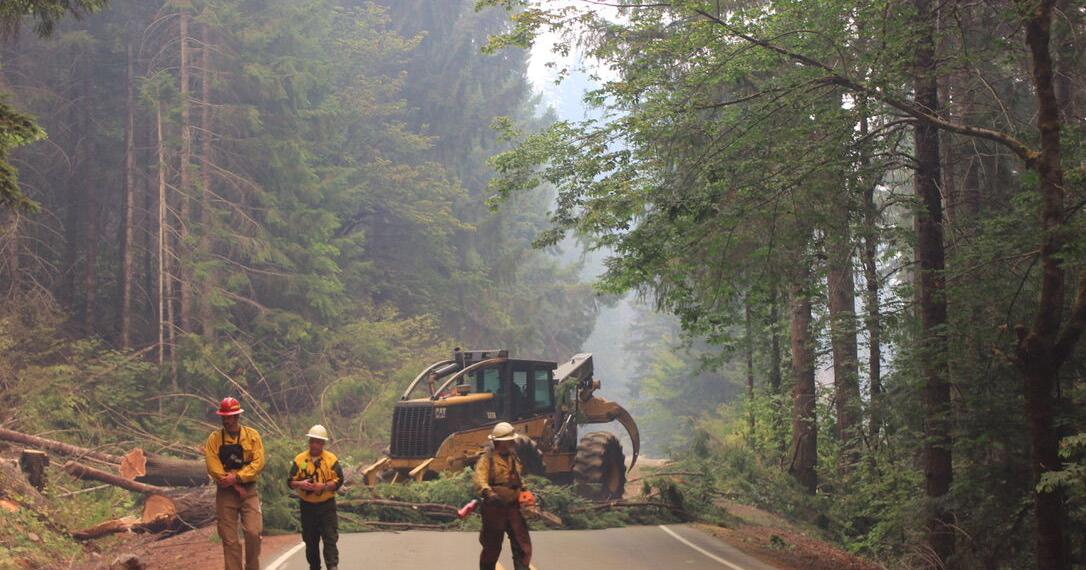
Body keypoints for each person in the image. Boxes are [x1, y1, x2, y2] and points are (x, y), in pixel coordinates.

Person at [204, 397, 266, 570]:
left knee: (254, 532)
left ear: (237, 416)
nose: (227, 420)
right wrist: (230, 482)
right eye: (224, 417)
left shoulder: (252, 436)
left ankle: (252, 567)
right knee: (229, 539)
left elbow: (258, 463)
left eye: (230, 417)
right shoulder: (214, 439)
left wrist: (238, 477)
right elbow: (212, 465)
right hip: (226, 494)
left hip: (249, 491)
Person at [473, 422, 533, 570]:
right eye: (509, 440)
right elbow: (479, 479)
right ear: (500, 442)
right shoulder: (488, 459)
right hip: (494, 509)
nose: (513, 442)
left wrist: (526, 494)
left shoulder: (513, 458)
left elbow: (518, 479)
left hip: (513, 508)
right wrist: (489, 493)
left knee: (522, 544)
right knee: (492, 546)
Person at [287, 424, 344, 570]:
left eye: (318, 442)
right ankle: (314, 567)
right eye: (312, 441)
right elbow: (290, 481)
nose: (314, 445)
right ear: (309, 441)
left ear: (323, 443)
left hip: (326, 506)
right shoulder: (300, 459)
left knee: (330, 538)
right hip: (307, 506)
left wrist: (323, 486)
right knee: (311, 541)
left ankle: (332, 566)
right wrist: (301, 484)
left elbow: (339, 480)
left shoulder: (331, 459)